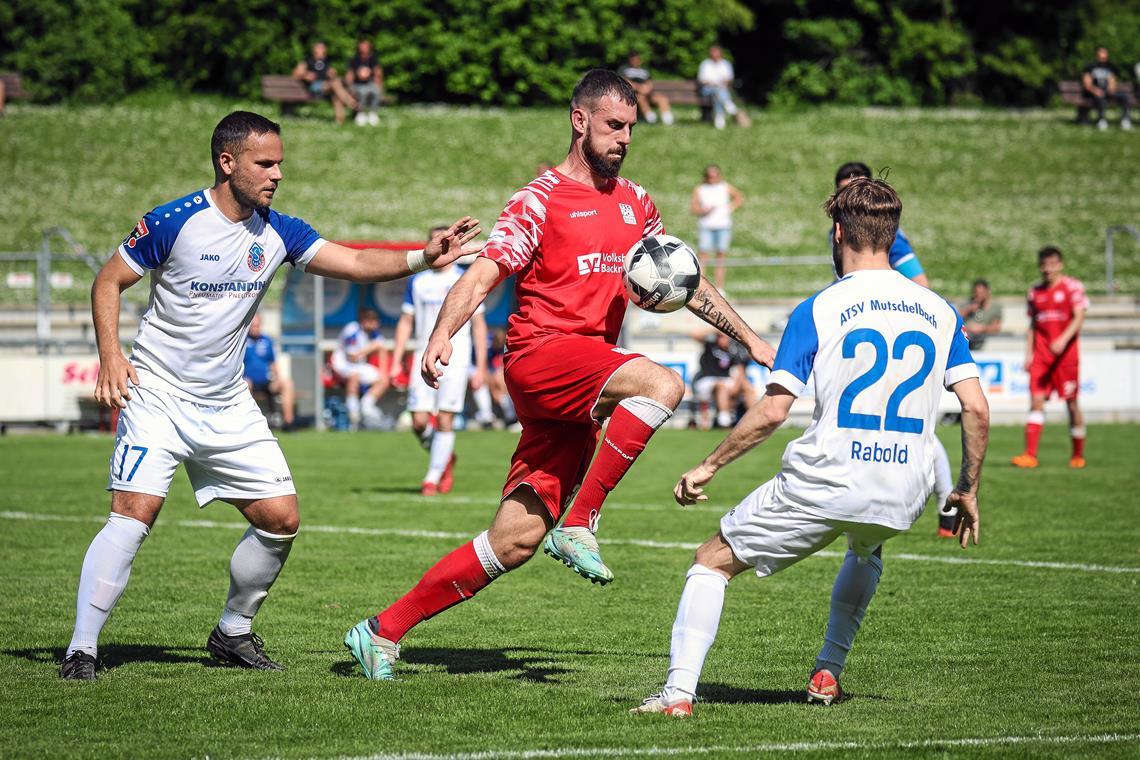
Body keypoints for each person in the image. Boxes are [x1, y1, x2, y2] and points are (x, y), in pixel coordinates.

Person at [343, 69, 775, 681]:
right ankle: (580, 522)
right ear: (580, 121)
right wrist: (442, 333)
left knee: (512, 541)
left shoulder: (637, 202)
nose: (625, 137)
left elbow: (686, 280)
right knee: (662, 384)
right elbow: (484, 272)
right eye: (613, 125)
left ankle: (380, 631)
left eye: (631, 127)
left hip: (585, 379)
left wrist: (752, 339)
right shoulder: (539, 198)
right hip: (541, 356)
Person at [59, 110, 480, 681]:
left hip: (227, 400)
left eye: (280, 162)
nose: (277, 173)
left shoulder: (278, 230)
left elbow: (353, 261)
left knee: (281, 519)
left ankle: (232, 631)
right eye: (265, 162)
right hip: (156, 393)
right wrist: (112, 355)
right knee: (136, 514)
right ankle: (82, 648)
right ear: (227, 163)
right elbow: (107, 280)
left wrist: (422, 258)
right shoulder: (173, 221)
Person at [632, 177, 989, 717]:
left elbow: (774, 410)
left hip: (826, 480)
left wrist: (709, 464)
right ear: (892, 238)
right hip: (905, 488)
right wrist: (966, 488)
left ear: (839, 232)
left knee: (710, 564)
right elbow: (977, 408)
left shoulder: (820, 308)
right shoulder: (939, 311)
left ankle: (677, 694)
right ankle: (828, 669)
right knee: (867, 548)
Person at [833, 161, 955, 536]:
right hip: (862, 331)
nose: (847, 195)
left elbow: (920, 281)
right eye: (842, 189)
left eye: (854, 187)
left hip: (890, 333)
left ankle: (947, 502)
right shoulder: (836, 232)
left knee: (913, 429)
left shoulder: (890, 238)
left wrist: (888, 307)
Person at [391, 227, 489, 494]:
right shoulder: (418, 282)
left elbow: (479, 326)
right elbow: (405, 321)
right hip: (423, 355)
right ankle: (443, 455)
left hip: (454, 360)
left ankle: (432, 478)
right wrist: (396, 359)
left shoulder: (465, 279)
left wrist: (479, 366)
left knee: (445, 419)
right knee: (419, 421)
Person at [1011, 246, 1089, 470]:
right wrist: (1028, 354)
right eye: (1044, 265)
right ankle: (1030, 455)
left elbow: (1079, 317)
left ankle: (1077, 454)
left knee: (1072, 404)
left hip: (1066, 357)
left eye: (1052, 264)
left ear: (1060, 265)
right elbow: (1033, 326)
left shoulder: (1073, 287)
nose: (1048, 269)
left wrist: (1063, 339)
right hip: (1042, 356)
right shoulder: (1034, 292)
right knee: (1036, 401)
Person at [331, 308, 390, 430]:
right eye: (371, 321)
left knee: (384, 380)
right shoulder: (352, 329)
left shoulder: (375, 334)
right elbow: (352, 356)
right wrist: (371, 347)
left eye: (375, 320)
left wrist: (383, 372)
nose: (375, 324)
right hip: (342, 364)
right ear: (364, 321)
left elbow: (381, 348)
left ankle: (366, 406)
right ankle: (353, 413)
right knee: (354, 376)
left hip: (359, 366)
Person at [691, 164, 743, 291]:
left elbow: (739, 197)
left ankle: (719, 287)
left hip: (723, 226)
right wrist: (703, 210)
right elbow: (693, 207)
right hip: (706, 226)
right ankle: (701, 287)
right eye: (710, 177)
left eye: (715, 176)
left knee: (721, 256)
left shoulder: (725, 187)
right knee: (703, 256)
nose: (712, 179)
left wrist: (730, 208)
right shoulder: (700, 189)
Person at [691, 331, 755, 429]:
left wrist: (737, 386)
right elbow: (694, 335)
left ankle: (754, 419)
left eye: (724, 337)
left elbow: (740, 370)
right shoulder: (710, 346)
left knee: (747, 386)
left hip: (725, 380)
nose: (721, 339)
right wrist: (714, 329)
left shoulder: (733, 351)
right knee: (721, 386)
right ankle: (724, 421)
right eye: (719, 337)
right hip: (706, 380)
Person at [243, 314, 297, 429]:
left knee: (287, 383)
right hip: (248, 381)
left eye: (258, 326)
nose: (255, 328)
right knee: (246, 384)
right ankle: (248, 424)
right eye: (253, 326)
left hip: (266, 381)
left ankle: (289, 423)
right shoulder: (242, 340)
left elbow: (273, 363)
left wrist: (277, 378)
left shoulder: (266, 340)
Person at [292, 42, 357, 126]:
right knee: (335, 84)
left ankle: (339, 122)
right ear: (314, 50)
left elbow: (332, 74)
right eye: (318, 48)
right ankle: (351, 102)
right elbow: (295, 74)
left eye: (322, 48)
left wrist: (332, 73)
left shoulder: (326, 61)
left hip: (327, 86)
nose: (320, 50)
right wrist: (306, 75)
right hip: (314, 87)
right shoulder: (308, 60)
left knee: (336, 94)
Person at [697, 46, 749, 129]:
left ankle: (720, 121)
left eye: (716, 53)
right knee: (718, 92)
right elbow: (702, 80)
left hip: (721, 89)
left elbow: (729, 79)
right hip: (707, 89)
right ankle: (731, 109)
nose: (714, 55)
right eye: (713, 53)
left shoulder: (726, 64)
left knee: (718, 95)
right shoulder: (705, 64)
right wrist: (713, 83)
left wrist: (722, 83)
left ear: (720, 54)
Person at [1082, 47, 1132, 130]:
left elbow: (1112, 80)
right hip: (1094, 93)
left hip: (1107, 92)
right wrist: (1095, 90)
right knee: (1100, 96)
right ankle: (1101, 120)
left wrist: (1111, 88)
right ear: (1097, 54)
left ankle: (1125, 120)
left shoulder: (1110, 67)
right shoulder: (1090, 67)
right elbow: (1087, 83)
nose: (1103, 55)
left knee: (1125, 97)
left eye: (1105, 53)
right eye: (1101, 53)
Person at [619, 53, 674, 126]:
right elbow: (625, 81)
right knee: (641, 98)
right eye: (634, 60)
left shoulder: (645, 70)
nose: (636, 61)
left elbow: (649, 82)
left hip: (647, 93)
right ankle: (651, 120)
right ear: (630, 60)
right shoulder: (624, 69)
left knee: (662, 99)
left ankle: (668, 122)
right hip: (633, 94)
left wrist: (647, 88)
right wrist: (639, 88)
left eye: (638, 59)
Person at [346, 38, 384, 126]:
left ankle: (373, 114)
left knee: (376, 91)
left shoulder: (373, 59)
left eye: (366, 46)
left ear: (369, 47)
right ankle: (361, 114)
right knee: (362, 92)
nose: (364, 48)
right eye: (362, 45)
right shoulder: (354, 60)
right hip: (357, 84)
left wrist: (379, 85)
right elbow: (349, 76)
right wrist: (350, 88)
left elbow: (378, 73)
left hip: (369, 83)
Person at [959, 279, 1002, 350]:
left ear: (987, 291)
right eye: (976, 293)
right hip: (966, 339)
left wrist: (981, 328)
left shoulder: (994, 307)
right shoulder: (968, 303)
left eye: (982, 293)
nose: (979, 295)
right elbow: (956, 319)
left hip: (984, 341)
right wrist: (969, 309)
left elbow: (996, 328)